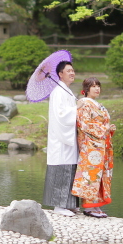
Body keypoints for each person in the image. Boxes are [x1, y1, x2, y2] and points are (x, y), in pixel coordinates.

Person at [72, 78, 116, 218]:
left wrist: (109, 129)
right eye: (93, 86)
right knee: (91, 174)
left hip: (100, 143)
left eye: (98, 86)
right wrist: (104, 128)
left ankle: (96, 205)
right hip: (90, 145)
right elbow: (84, 125)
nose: (97, 89)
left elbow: (102, 123)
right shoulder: (84, 104)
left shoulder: (97, 104)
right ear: (86, 89)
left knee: (100, 175)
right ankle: (89, 207)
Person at [42, 60, 80, 217]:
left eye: (73, 70)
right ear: (60, 74)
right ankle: (58, 206)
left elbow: (70, 111)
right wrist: (77, 108)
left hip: (69, 136)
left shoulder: (67, 91)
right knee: (61, 169)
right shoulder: (57, 91)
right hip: (61, 138)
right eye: (68, 71)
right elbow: (61, 115)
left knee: (70, 168)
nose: (72, 73)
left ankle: (69, 204)